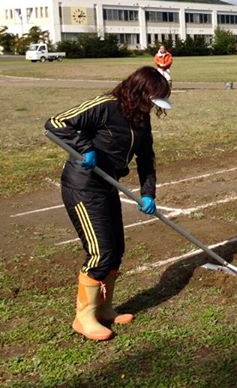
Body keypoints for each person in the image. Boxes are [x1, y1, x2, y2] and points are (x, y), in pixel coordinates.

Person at [45, 66, 171, 341]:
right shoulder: (105, 106)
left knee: (116, 250)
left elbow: (146, 160)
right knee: (100, 251)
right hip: (83, 186)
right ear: (140, 92)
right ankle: (84, 318)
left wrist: (148, 192)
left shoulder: (140, 118)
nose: (153, 108)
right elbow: (55, 123)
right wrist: (85, 148)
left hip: (108, 186)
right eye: (152, 101)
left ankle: (104, 309)